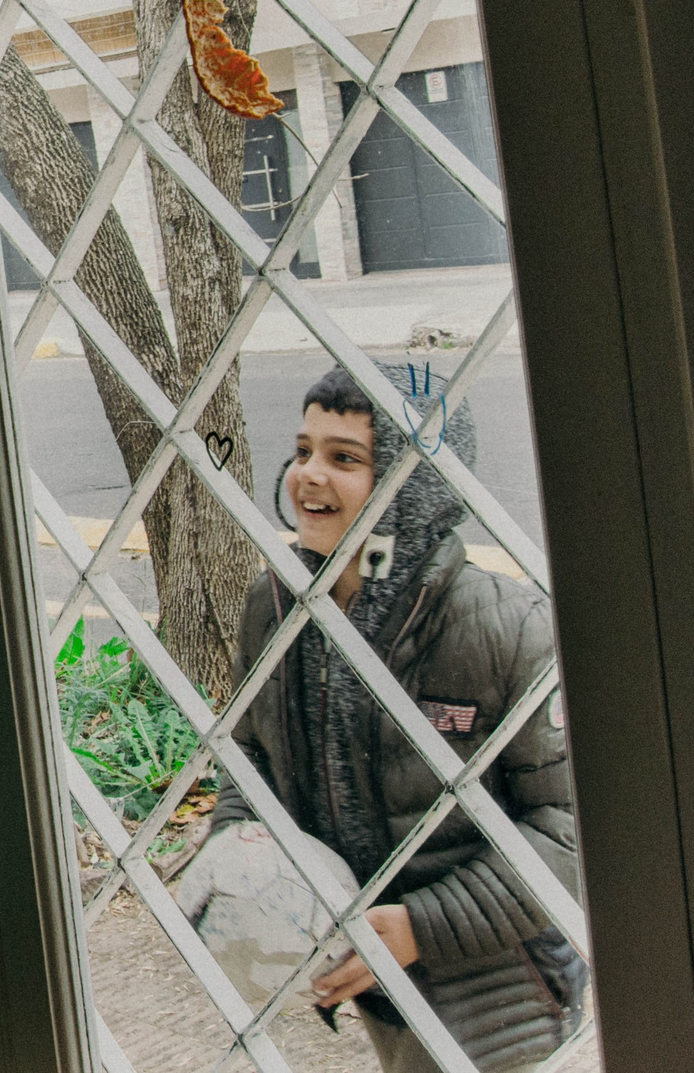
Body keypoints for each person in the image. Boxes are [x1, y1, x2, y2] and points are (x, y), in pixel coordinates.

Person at [202, 365, 586, 1072]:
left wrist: (417, 927)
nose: (307, 474)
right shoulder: (277, 608)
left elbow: (569, 835)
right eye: (304, 448)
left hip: (506, 1004)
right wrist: (238, 857)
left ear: (417, 487)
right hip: (377, 988)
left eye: (345, 457)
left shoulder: (508, 629)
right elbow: (248, 760)